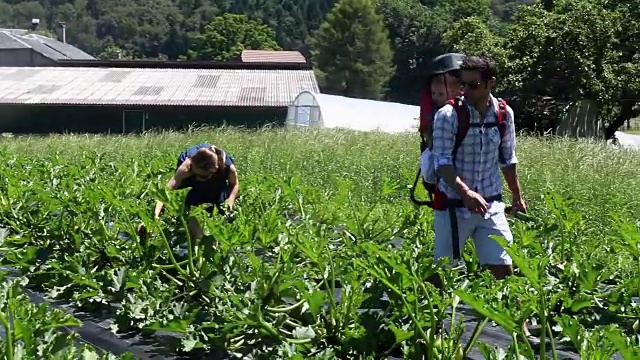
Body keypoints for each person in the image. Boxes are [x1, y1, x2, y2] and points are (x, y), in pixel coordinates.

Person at [429, 55, 526, 287]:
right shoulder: (448, 116)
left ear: (490, 83)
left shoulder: (504, 115)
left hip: (491, 205)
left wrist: (516, 195)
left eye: (474, 85)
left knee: (504, 268)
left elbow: (508, 159)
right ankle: (427, 314)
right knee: (443, 273)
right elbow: (441, 164)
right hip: (454, 206)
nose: (466, 91)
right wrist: (466, 192)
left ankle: (514, 323)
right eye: (463, 85)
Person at [138, 143, 239, 241]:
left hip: (215, 182)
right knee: (189, 204)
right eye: (196, 174)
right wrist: (154, 216)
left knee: (218, 201)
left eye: (203, 176)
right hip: (190, 183)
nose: (199, 178)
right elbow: (166, 192)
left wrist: (229, 203)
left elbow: (234, 184)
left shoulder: (228, 168)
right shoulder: (186, 166)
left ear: (215, 169)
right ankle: (197, 238)